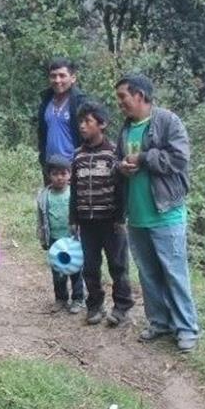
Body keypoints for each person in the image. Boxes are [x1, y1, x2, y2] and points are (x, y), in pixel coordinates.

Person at [115, 74, 200, 353]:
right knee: (148, 273)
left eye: (123, 97)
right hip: (137, 215)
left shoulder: (167, 122)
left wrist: (142, 158)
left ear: (139, 95)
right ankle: (159, 322)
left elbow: (179, 159)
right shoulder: (126, 128)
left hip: (166, 214)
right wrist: (121, 167)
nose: (120, 103)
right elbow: (118, 160)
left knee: (174, 273)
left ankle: (186, 328)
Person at [69, 102, 134, 327]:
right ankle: (95, 306)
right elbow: (74, 190)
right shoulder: (77, 155)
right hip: (87, 223)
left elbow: (122, 188)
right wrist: (73, 219)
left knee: (118, 265)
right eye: (80, 121)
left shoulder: (114, 153)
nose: (82, 126)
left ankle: (122, 307)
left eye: (88, 121)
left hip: (111, 222)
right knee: (90, 267)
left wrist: (120, 218)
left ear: (102, 124)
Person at [36, 155, 85, 314]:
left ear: (70, 174)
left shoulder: (74, 193)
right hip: (54, 240)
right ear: (49, 175)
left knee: (76, 269)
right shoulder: (44, 196)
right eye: (55, 174)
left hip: (73, 239)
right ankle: (61, 299)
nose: (59, 177)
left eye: (63, 173)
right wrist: (43, 238)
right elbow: (40, 218)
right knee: (57, 271)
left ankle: (78, 299)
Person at [36, 57, 89, 184]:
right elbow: (42, 134)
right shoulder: (46, 101)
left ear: (73, 78)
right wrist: (43, 160)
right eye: (53, 76)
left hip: (73, 167)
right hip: (51, 169)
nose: (57, 80)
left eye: (62, 75)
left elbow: (89, 135)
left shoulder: (80, 103)